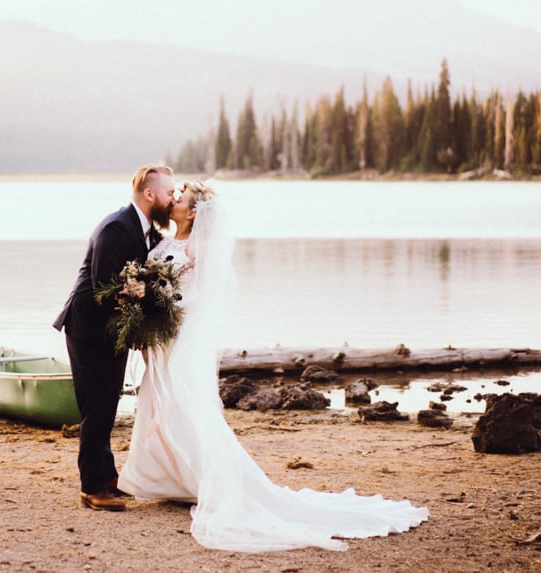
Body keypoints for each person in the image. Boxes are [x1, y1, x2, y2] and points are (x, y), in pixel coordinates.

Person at [118, 180, 429, 551]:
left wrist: (163, 306)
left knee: (188, 407)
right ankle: (168, 480)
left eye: (180, 199)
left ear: (195, 212)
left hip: (179, 339)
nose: (174, 202)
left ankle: (206, 480)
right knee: (159, 403)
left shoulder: (200, 246)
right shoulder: (163, 240)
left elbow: (200, 297)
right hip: (162, 342)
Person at [54, 163, 176, 511]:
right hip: (88, 329)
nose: (173, 199)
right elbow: (102, 289)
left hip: (110, 331)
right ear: (149, 194)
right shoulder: (115, 227)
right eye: (169, 193)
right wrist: (137, 323)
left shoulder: (143, 229)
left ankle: (107, 476)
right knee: (97, 407)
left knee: (107, 404)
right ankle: (91, 488)